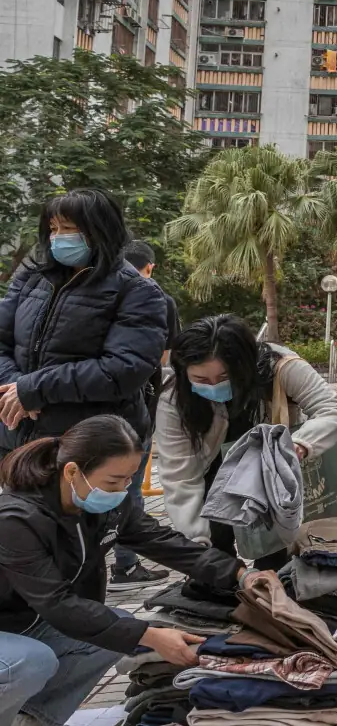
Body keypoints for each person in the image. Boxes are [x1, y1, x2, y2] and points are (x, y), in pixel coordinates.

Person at [0, 415, 248, 725]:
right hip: (17, 628)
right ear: (73, 471)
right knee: (32, 661)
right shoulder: (16, 519)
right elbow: (57, 603)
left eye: (130, 477)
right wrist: (152, 636)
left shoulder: (106, 506)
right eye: (113, 481)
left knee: (117, 628)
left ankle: (33, 720)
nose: (123, 489)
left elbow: (164, 542)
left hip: (26, 622)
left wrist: (240, 575)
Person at [156, 315, 337, 567]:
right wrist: (199, 543)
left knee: (276, 557)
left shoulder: (279, 365)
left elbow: (334, 411)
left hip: (274, 475)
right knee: (215, 558)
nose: (214, 386)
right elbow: (180, 477)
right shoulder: (174, 398)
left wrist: (297, 445)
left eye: (224, 376)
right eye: (201, 380)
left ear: (244, 366)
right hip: (214, 480)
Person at [0, 189, 167, 462]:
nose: (57, 237)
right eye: (53, 228)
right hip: (18, 435)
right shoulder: (32, 277)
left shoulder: (136, 291)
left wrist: (35, 389)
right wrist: (15, 388)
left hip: (91, 446)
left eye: (68, 228)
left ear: (100, 230)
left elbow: (123, 369)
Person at [108, 239, 182, 589]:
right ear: (149, 267)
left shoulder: (100, 292)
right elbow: (165, 359)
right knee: (129, 485)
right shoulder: (157, 298)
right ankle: (125, 565)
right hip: (136, 407)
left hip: (91, 410)